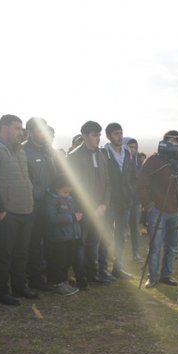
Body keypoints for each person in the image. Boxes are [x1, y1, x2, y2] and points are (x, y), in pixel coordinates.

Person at [0, 114, 37, 305]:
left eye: (21, 128)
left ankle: (19, 287)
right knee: (3, 254)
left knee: (21, 252)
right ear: (4, 128)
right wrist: (0, 209)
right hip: (8, 211)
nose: (20, 132)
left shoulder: (19, 150)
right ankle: (1, 292)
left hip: (25, 209)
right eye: (16, 128)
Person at [137, 130, 178, 288]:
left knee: (173, 246)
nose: (176, 144)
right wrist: (148, 204)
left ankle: (166, 276)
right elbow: (142, 183)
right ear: (165, 142)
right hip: (157, 210)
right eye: (172, 141)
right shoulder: (154, 160)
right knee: (155, 246)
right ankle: (153, 277)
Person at [67, 121, 110, 289]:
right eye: (94, 135)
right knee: (80, 244)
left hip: (100, 209)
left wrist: (104, 204)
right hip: (82, 209)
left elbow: (108, 182)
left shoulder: (102, 155)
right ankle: (81, 277)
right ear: (84, 136)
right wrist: (89, 207)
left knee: (94, 242)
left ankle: (92, 274)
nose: (98, 138)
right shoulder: (74, 157)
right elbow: (74, 186)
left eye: (99, 135)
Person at [24, 117, 58, 292]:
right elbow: (25, 182)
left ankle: (52, 277)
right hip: (34, 206)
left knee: (52, 243)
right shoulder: (23, 151)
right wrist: (38, 195)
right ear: (29, 132)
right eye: (39, 130)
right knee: (34, 245)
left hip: (52, 204)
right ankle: (34, 279)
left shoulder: (49, 151)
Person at [101, 122, 136, 280]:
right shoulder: (103, 153)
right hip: (109, 202)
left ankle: (117, 268)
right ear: (108, 136)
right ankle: (102, 269)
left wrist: (131, 193)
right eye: (116, 133)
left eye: (121, 133)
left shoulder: (128, 153)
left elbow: (133, 177)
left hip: (125, 202)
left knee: (121, 236)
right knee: (106, 234)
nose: (119, 136)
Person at [44, 172, 81, 296]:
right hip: (58, 237)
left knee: (67, 260)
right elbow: (51, 218)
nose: (67, 195)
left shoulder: (69, 199)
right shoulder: (51, 200)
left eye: (69, 192)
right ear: (57, 188)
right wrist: (72, 217)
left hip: (70, 236)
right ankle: (57, 283)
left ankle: (64, 281)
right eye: (65, 192)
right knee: (58, 261)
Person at [126, 138, 144, 262]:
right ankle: (118, 254)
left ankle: (136, 253)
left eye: (134, 147)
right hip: (124, 199)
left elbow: (140, 180)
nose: (132, 149)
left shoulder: (139, 163)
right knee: (121, 229)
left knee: (135, 227)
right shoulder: (121, 161)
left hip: (136, 200)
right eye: (130, 147)